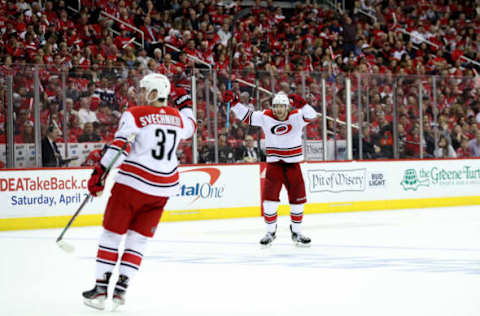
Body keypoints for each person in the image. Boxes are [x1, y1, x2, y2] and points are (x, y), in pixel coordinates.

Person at [82, 73, 196, 310]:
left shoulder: (135, 114)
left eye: (145, 90)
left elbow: (121, 145)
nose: (140, 93)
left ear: (154, 93)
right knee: (139, 239)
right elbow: (191, 126)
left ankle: (101, 289)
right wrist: (186, 104)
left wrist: (100, 172)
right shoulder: (177, 117)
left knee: (112, 235)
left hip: (133, 185)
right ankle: (121, 291)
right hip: (162, 188)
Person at [223, 90, 317, 246]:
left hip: (293, 165)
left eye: (281, 106)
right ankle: (270, 232)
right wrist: (234, 103)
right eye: (276, 106)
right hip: (274, 165)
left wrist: (304, 104)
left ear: (287, 107)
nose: (278, 109)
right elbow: (247, 116)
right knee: (269, 202)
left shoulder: (296, 116)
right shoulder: (266, 116)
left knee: (297, 201)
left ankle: (297, 232)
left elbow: (312, 115)